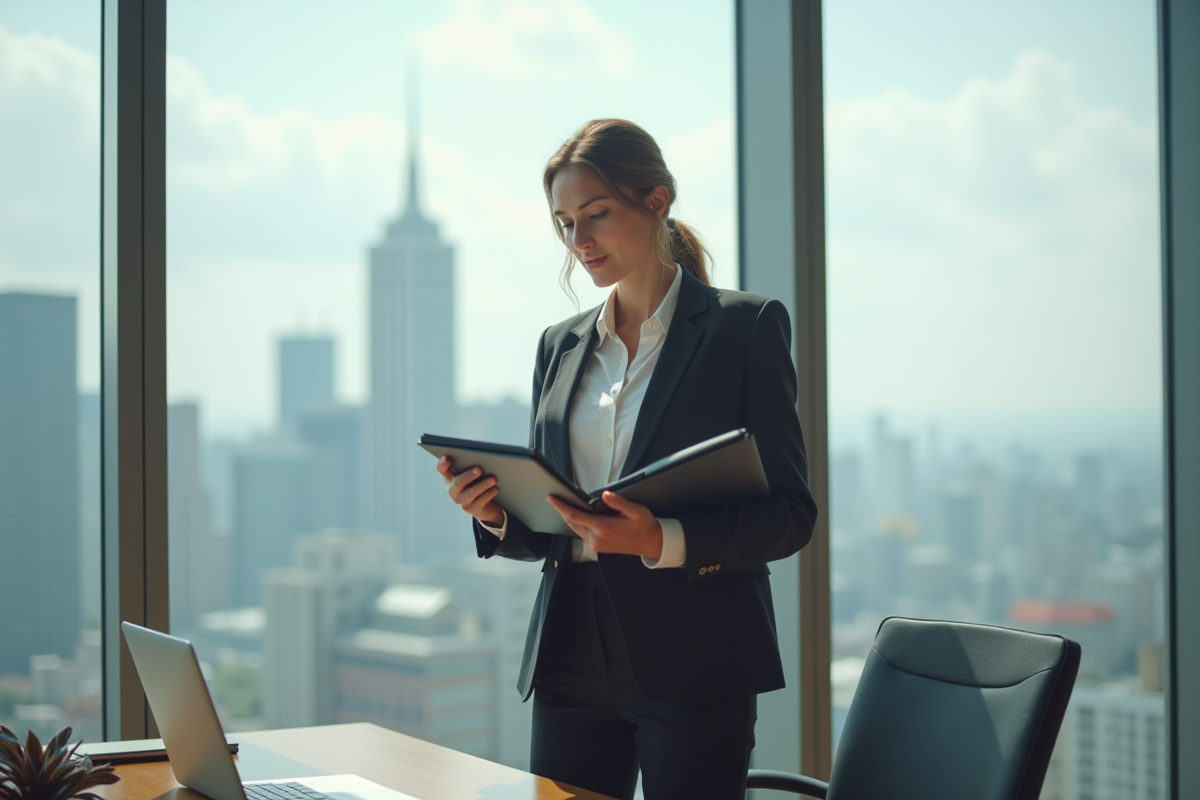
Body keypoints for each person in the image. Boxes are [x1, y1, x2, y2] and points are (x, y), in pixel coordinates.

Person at [436, 118, 816, 800]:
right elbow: (549, 524)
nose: (579, 241)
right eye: (563, 223)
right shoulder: (559, 344)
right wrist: (495, 514)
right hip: (568, 648)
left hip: (697, 651)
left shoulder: (743, 327)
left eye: (597, 215)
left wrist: (662, 540)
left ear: (657, 202)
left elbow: (789, 516)